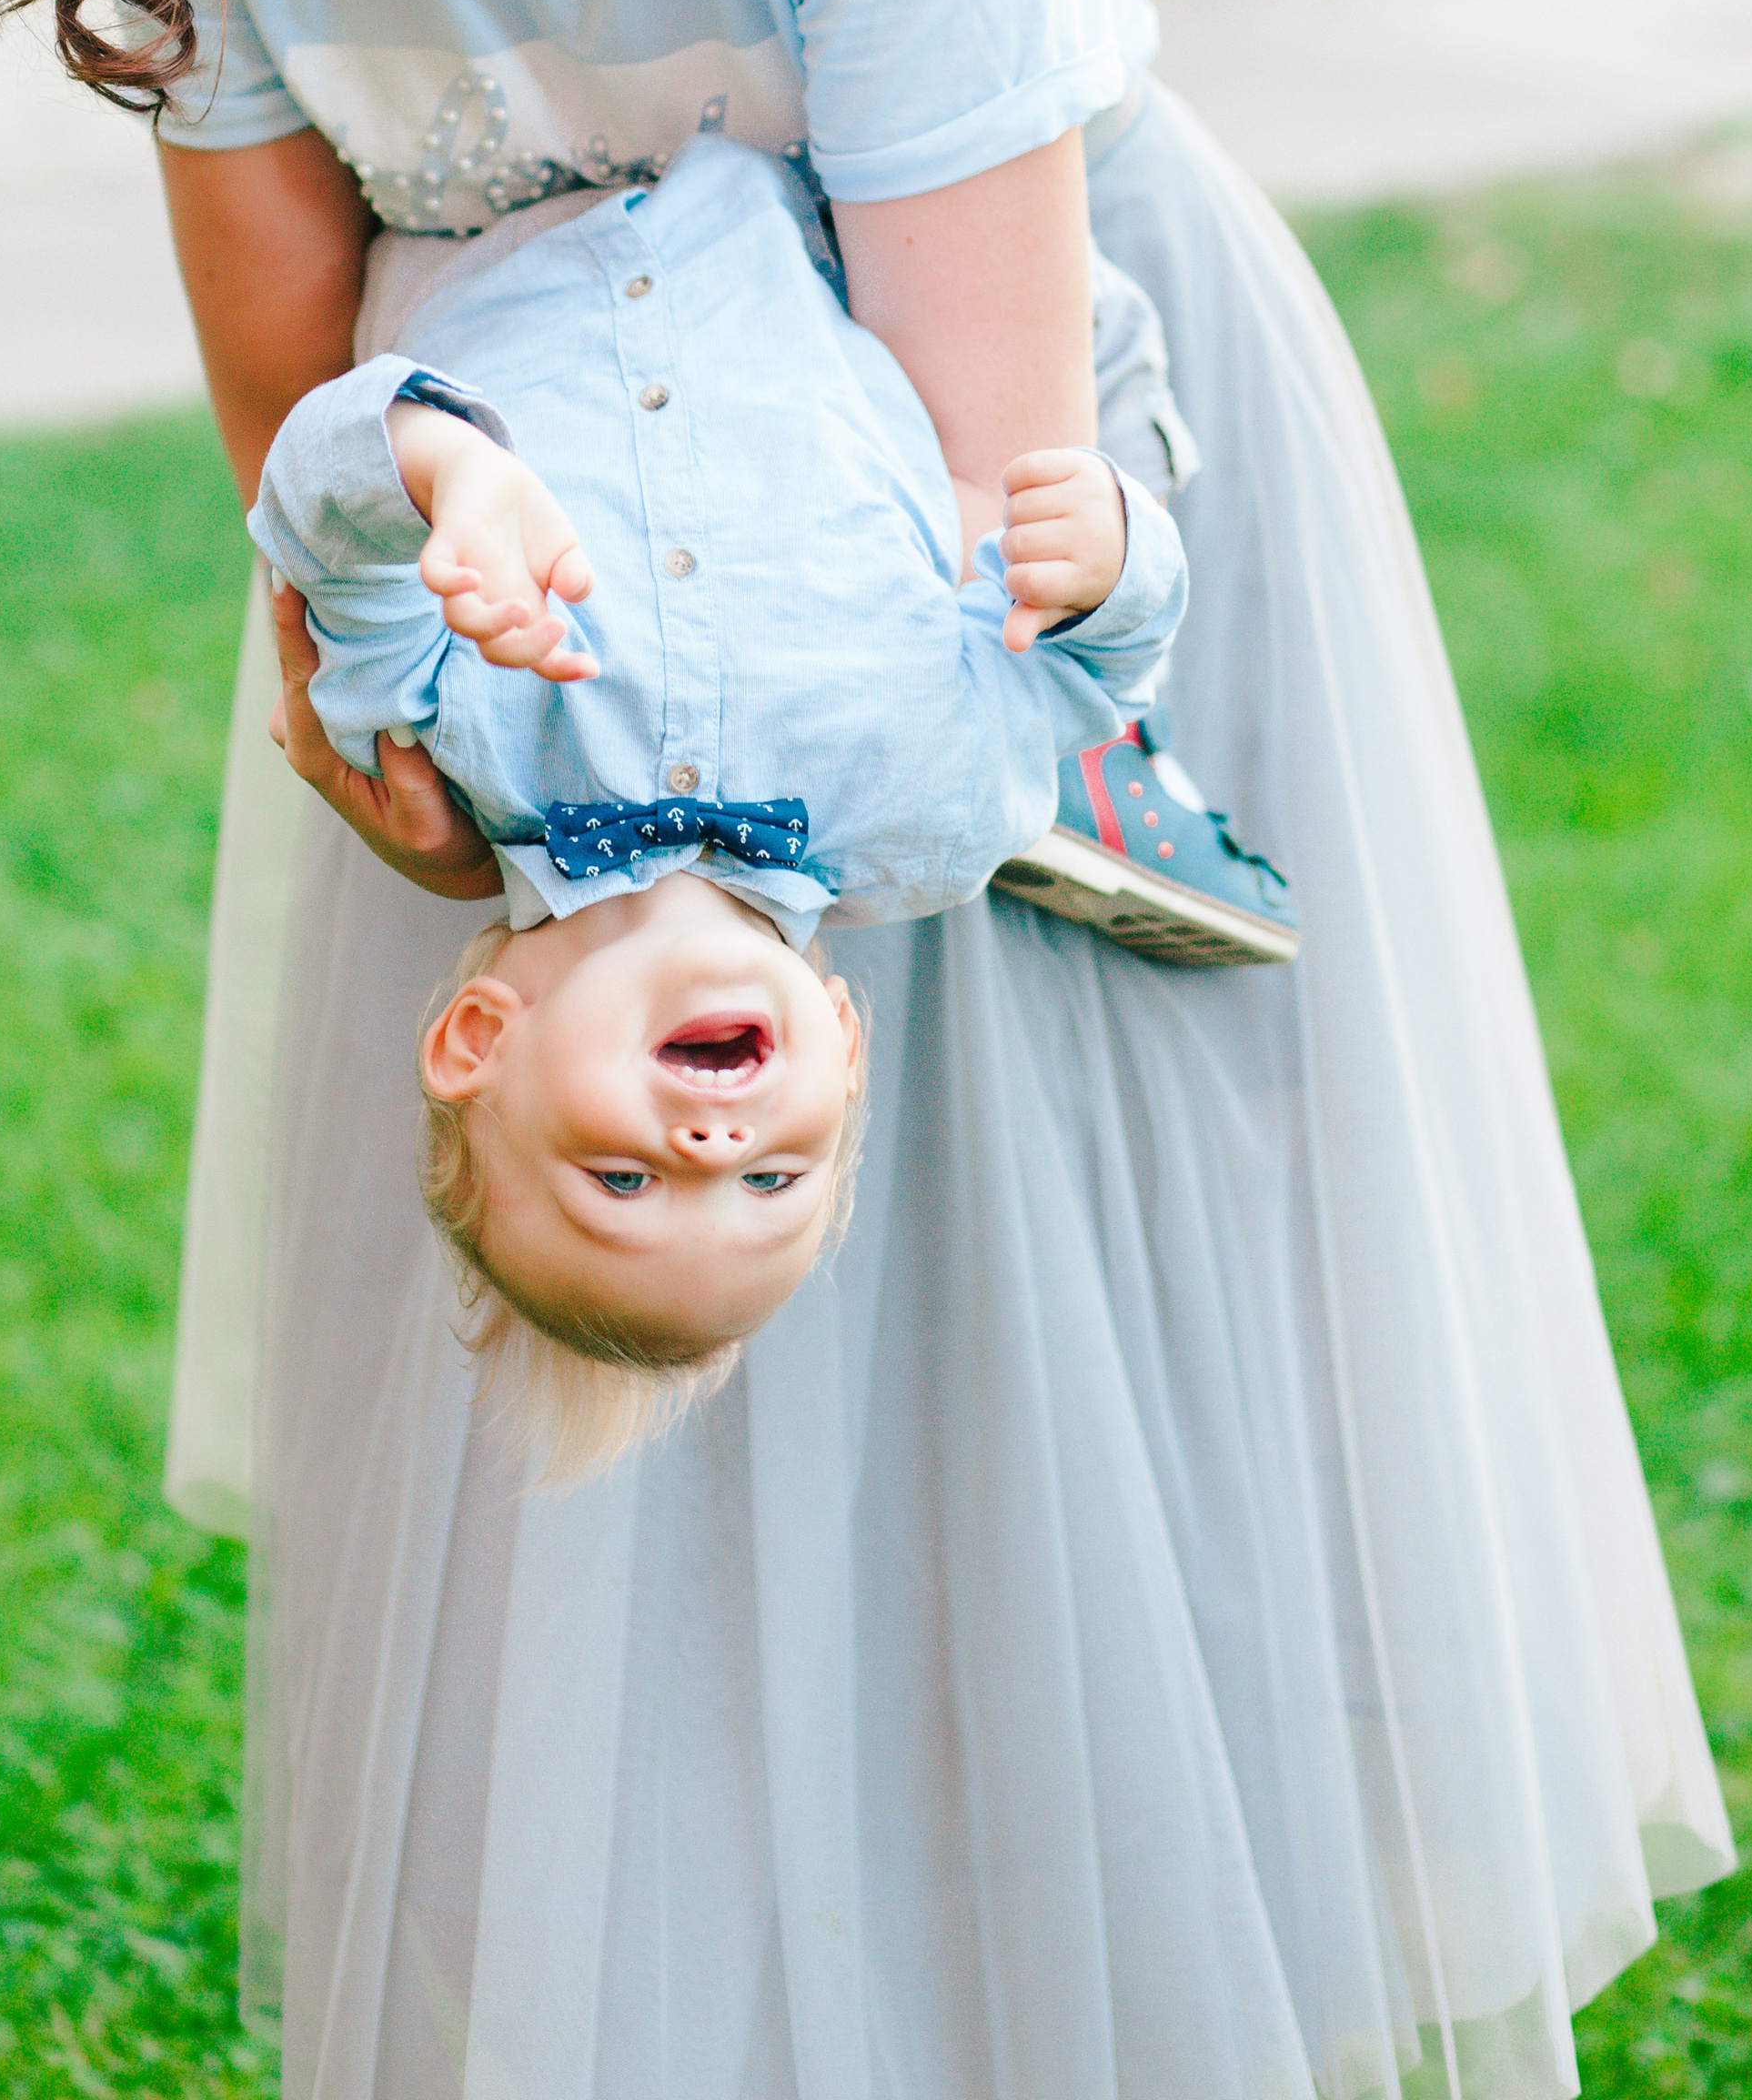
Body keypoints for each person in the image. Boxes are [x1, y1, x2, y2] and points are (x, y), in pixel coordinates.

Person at [0, 0, 1731, 2097]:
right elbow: (288, 398)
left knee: (1013, 1335)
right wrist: (448, 754)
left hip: (979, 556)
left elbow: (962, 525)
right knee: (605, 1294)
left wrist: (683, 866)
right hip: (535, 578)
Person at [247, 127, 1192, 1463]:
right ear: (844, 1052)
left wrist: (447, 473)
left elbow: (313, 504)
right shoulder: (942, 817)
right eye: (774, 1179)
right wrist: (1113, 558)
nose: (709, 1141)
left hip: (521, 178)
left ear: (477, 1043)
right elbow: (1100, 676)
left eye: (624, 1180)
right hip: (802, 173)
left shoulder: (439, 747)